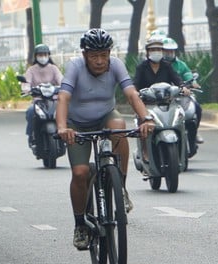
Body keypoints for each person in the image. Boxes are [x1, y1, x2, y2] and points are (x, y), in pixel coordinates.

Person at [55, 28, 154, 250]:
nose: (99, 61)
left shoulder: (116, 65)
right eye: (94, 56)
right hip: (76, 124)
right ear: (84, 55)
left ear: (109, 53)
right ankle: (80, 224)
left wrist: (145, 118)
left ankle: (121, 188)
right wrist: (62, 127)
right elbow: (63, 98)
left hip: (105, 117)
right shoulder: (75, 67)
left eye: (104, 55)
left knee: (119, 127)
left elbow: (131, 94)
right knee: (80, 173)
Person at [133, 35, 189, 161]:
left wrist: (183, 87)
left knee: (180, 119)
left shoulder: (167, 66)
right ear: (147, 52)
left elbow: (177, 79)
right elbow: (135, 84)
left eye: (159, 49)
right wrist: (136, 93)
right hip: (147, 104)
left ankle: (182, 151)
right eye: (153, 50)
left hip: (167, 103)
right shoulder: (141, 67)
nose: (156, 52)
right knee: (143, 125)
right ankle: (145, 151)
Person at [162, 37, 204, 144]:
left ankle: (194, 133)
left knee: (197, 108)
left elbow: (187, 74)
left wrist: (192, 82)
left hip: (181, 95)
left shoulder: (181, 64)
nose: (169, 53)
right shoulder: (158, 65)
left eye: (171, 51)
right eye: (166, 50)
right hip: (163, 97)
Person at [22, 43, 64, 149]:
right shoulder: (31, 70)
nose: (43, 57)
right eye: (40, 55)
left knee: (66, 112)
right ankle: (31, 135)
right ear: (36, 56)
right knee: (31, 111)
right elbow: (26, 83)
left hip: (54, 100)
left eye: (45, 54)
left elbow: (61, 80)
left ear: (48, 55)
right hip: (38, 101)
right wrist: (27, 89)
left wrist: (62, 87)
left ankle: (66, 133)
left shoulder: (54, 68)